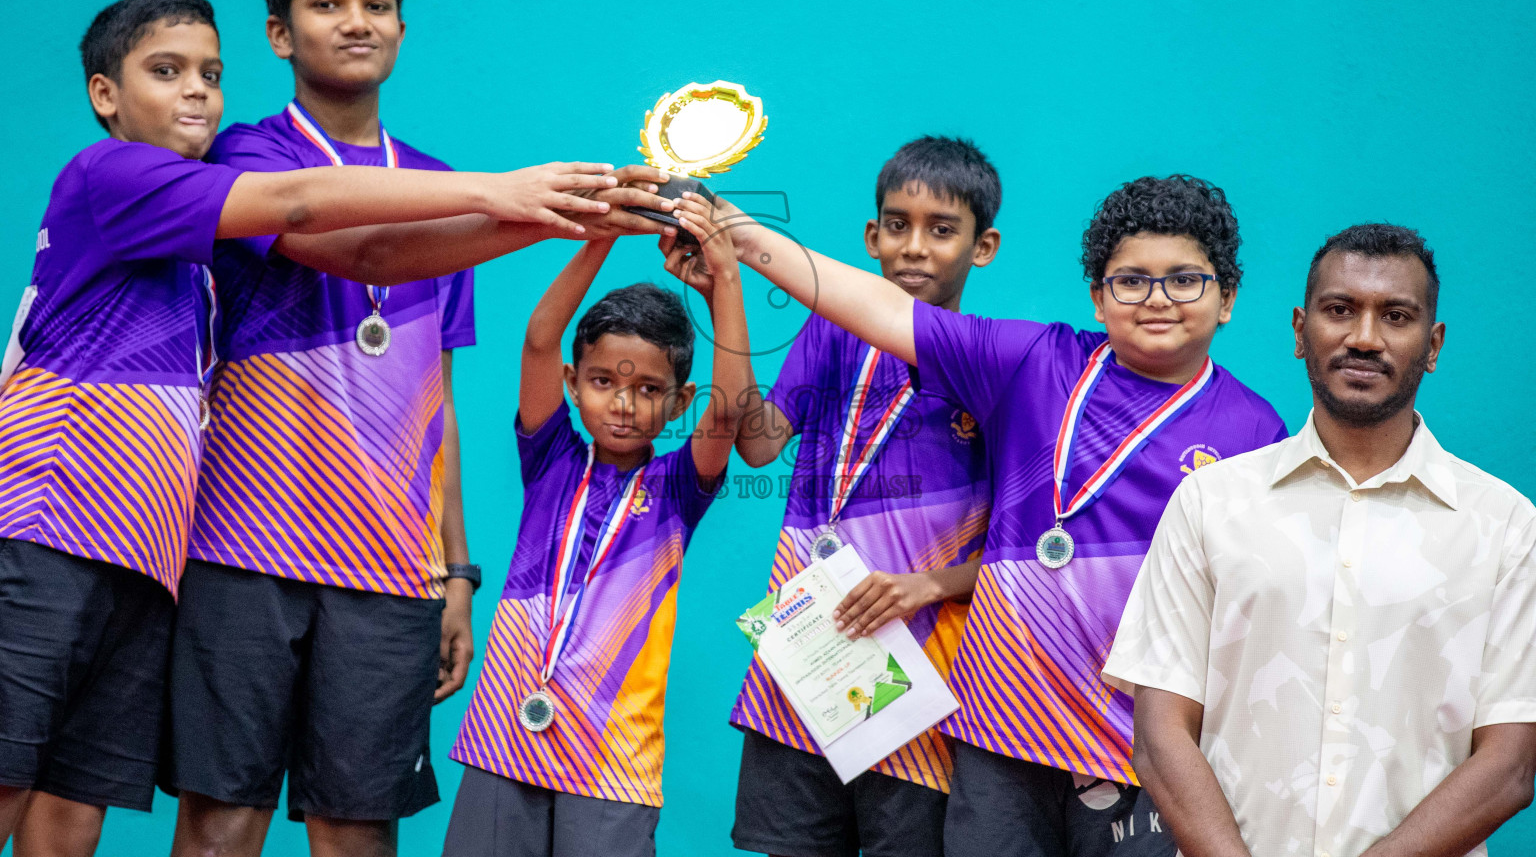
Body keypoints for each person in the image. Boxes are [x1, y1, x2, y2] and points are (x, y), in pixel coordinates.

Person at [0, 0, 621, 857]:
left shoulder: (197, 249)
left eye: (210, 75)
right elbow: (312, 215)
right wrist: (508, 191)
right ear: (106, 95)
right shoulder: (114, 177)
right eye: (165, 72)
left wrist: (567, 222)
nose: (196, 94)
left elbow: (383, 261)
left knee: (70, 809)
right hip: (39, 538)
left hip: (141, 567)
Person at [163, 0, 664, 857]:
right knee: (222, 823)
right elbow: (372, 251)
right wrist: (528, 203)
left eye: (378, 3)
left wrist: (456, 571)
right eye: (327, 4)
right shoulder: (247, 160)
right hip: (239, 551)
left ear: (401, 25)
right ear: (280, 33)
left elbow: (436, 397)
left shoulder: (441, 182)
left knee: (359, 831)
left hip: (387, 567)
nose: (357, 21)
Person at [674, 174, 1287, 857]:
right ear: (1098, 295)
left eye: (1185, 280)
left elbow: (1252, 623)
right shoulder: (1034, 362)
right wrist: (732, 230)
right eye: (1131, 281)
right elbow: (868, 302)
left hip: (1138, 747)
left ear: (1226, 298)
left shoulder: (1256, 431)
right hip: (999, 732)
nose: (1157, 299)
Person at [1104, 224, 1536, 857]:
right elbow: (1161, 734)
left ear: (1433, 343)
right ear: (1301, 331)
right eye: (1340, 311)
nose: (1364, 337)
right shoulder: (1210, 503)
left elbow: (1511, 764)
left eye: (1395, 315)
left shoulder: (1505, 526)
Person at [719, 137, 999, 857]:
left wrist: (928, 584)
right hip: (804, 666)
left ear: (983, 247)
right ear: (871, 237)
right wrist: (723, 290)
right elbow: (758, 444)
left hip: (922, 686)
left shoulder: (998, 370)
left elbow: (1019, 554)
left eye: (942, 230)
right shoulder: (828, 331)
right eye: (897, 225)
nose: (915, 248)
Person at [443, 226, 751, 857]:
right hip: (503, 732)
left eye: (647, 390)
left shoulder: (678, 488)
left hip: (612, 757)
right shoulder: (551, 455)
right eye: (604, 380)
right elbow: (537, 338)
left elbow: (728, 414)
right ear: (572, 381)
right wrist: (601, 235)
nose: (623, 404)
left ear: (678, 401)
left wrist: (727, 282)